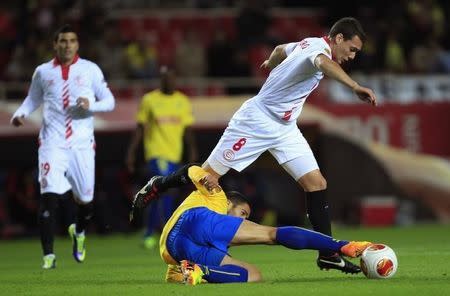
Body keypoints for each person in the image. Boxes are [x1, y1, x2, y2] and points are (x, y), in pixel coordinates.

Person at [200, 17, 377, 274]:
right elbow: (322, 63)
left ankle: (328, 254)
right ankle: (190, 236)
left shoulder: (308, 42)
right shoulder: (319, 50)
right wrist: (354, 86)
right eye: (352, 49)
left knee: (317, 184)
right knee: (207, 176)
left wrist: (271, 64)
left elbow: (279, 50)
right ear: (338, 38)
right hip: (256, 121)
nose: (351, 56)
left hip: (285, 128)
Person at [131, 164, 372, 284]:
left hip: (174, 252)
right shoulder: (217, 196)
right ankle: (343, 246)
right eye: (243, 213)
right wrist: (168, 182)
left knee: (253, 274)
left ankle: (197, 273)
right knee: (272, 235)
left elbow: (170, 268)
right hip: (195, 222)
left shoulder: (220, 234)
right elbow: (193, 169)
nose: (244, 220)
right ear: (230, 205)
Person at [10, 24, 115, 269]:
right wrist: (21, 112)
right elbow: (33, 98)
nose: (67, 45)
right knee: (48, 197)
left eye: (71, 41)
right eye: (63, 41)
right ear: (55, 44)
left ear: (77, 44)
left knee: (86, 201)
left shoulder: (90, 70)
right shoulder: (43, 72)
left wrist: (91, 106)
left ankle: (79, 233)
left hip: (81, 145)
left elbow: (109, 102)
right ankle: (49, 256)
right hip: (52, 143)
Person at [126, 66, 197, 249]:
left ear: (176, 79)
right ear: (161, 80)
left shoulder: (182, 101)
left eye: (171, 78)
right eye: (165, 78)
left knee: (162, 194)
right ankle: (166, 233)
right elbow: (140, 127)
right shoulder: (149, 100)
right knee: (166, 191)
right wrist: (132, 152)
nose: (168, 81)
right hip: (156, 153)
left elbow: (187, 129)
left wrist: (192, 151)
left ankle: (150, 233)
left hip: (174, 154)